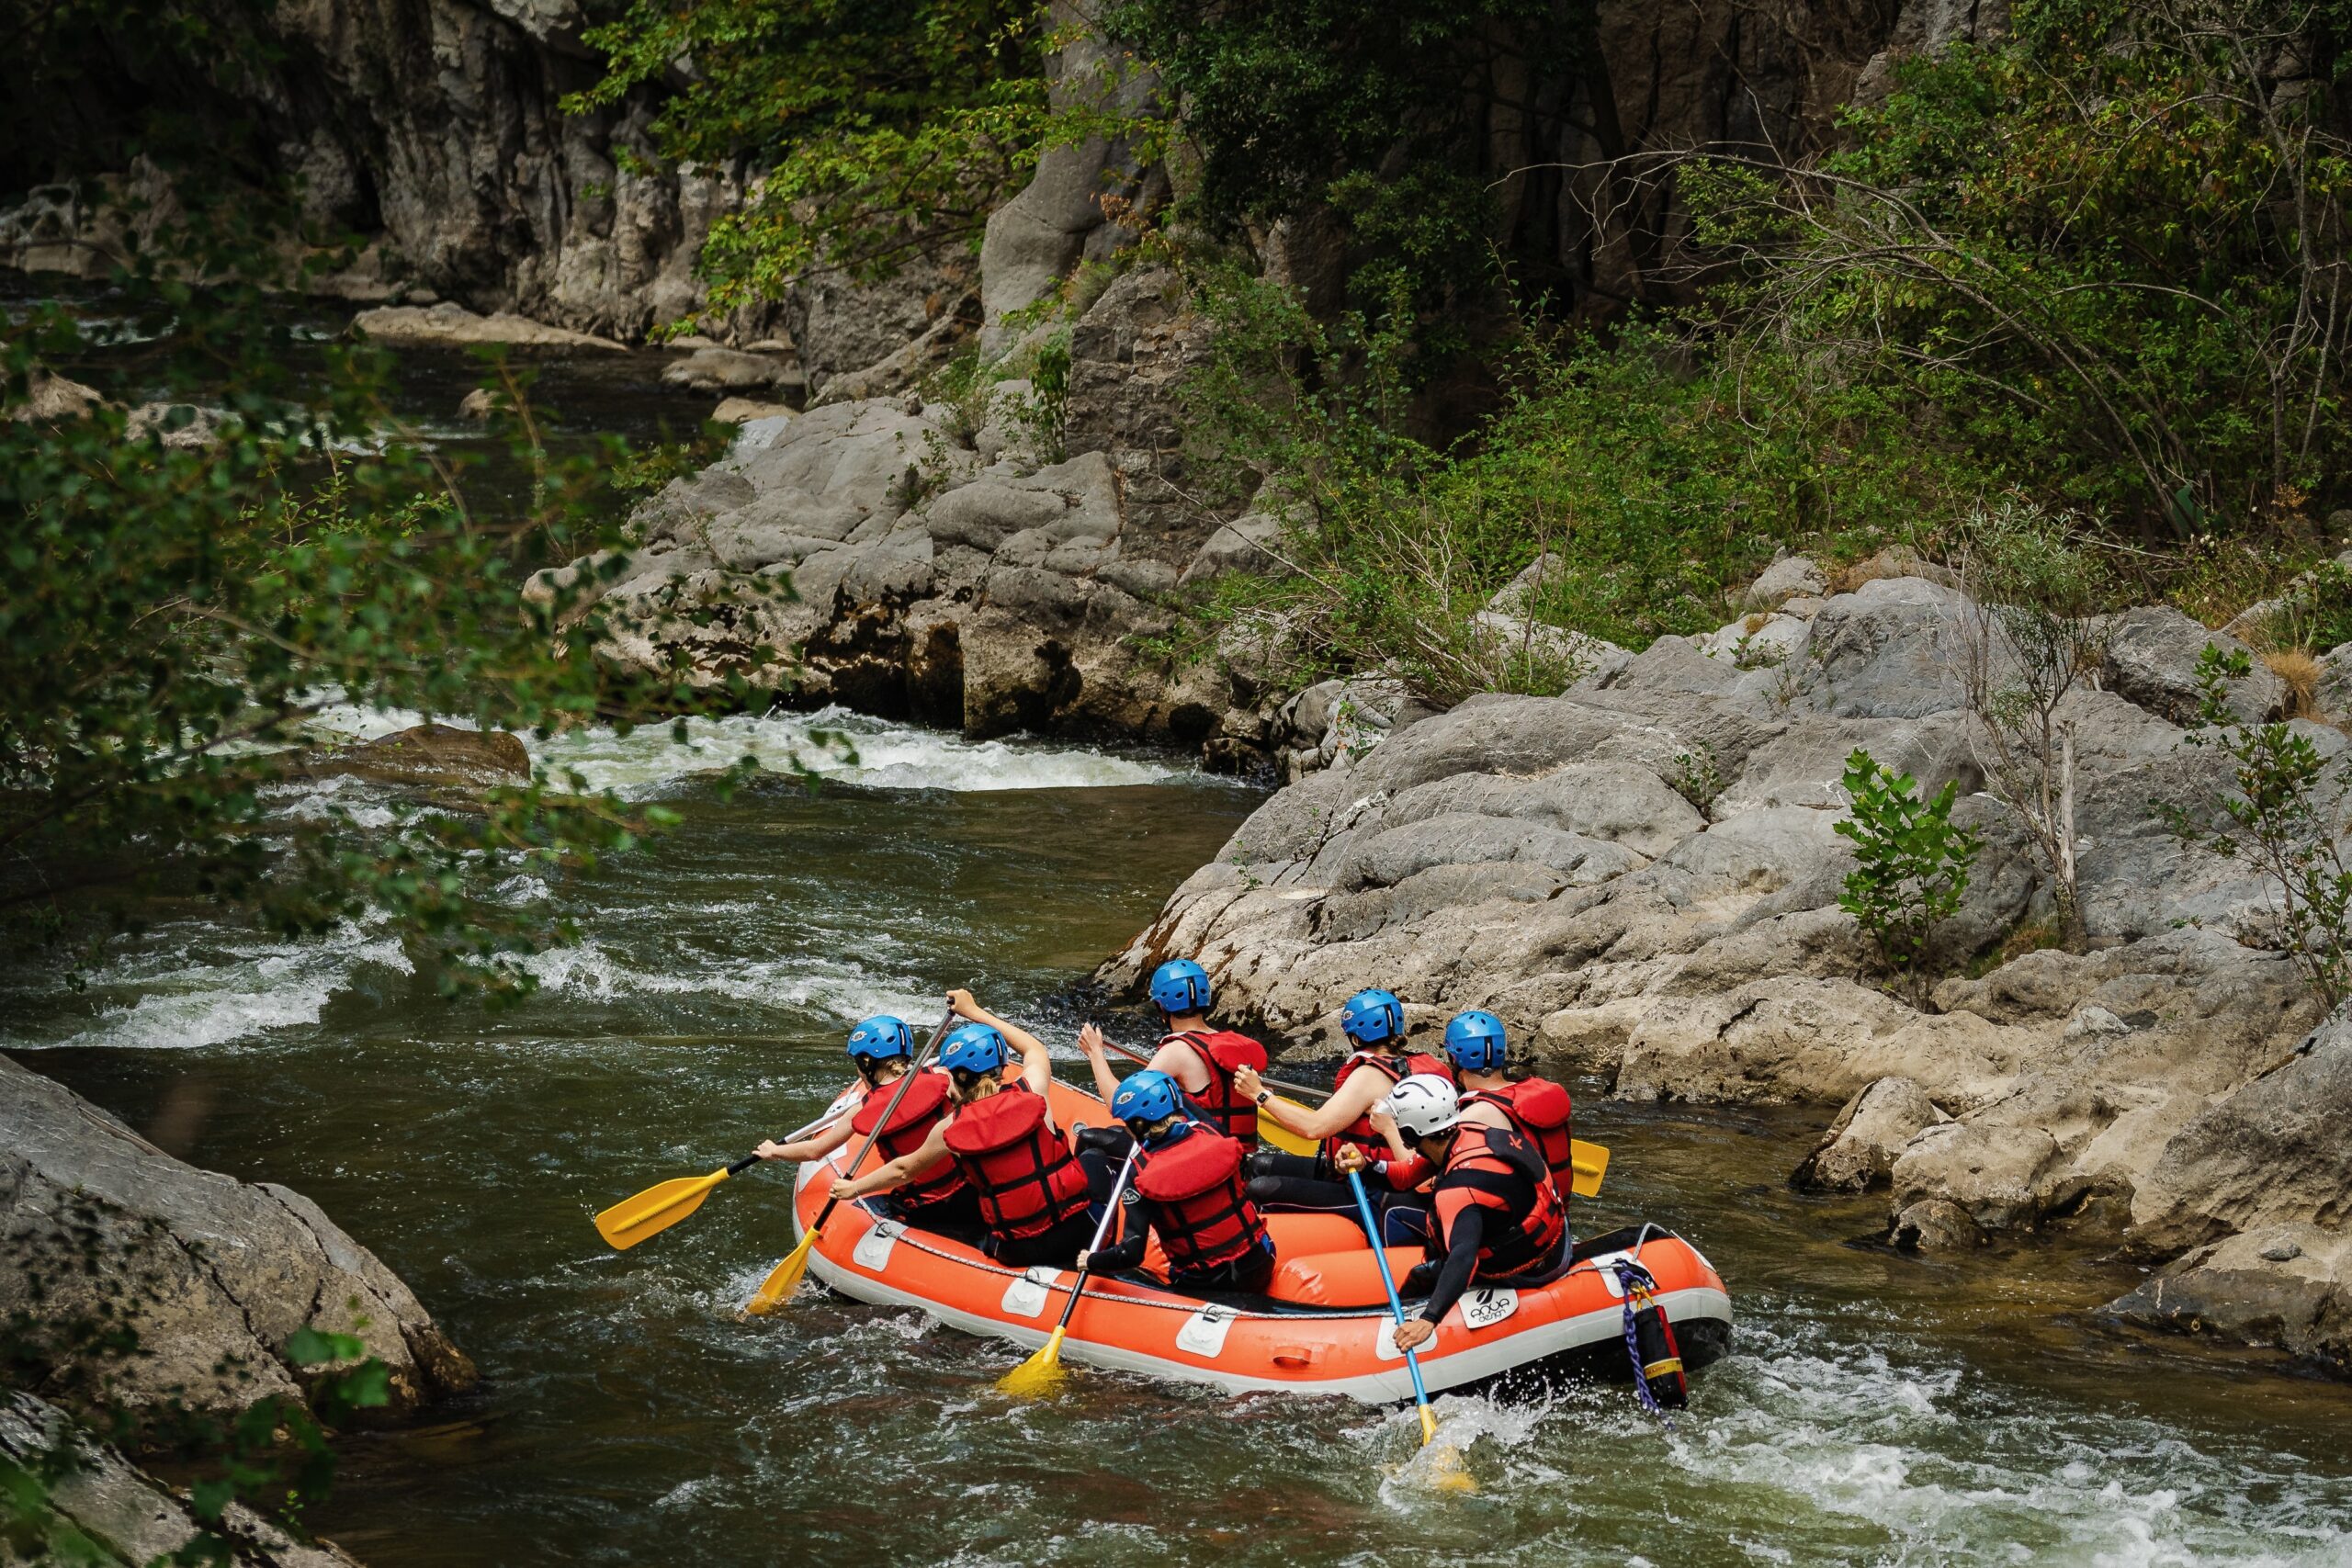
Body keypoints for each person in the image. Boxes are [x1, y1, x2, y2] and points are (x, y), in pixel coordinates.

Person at [827, 990, 1099, 1269]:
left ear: (955, 1077)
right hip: (1082, 1233)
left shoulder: (950, 1127)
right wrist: (974, 1011)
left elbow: (904, 1170)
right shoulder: (1034, 1090)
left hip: (1020, 1251)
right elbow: (1034, 1049)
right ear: (1002, 1066)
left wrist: (853, 1188)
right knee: (1093, 1158)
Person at [1338, 1074, 1568, 1354]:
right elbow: (1406, 1175)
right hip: (1557, 1241)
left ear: (1410, 1134)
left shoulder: (1457, 1192)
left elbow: (1463, 1257)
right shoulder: (1472, 1132)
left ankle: (1395, 1332)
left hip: (1529, 1270)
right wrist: (1366, 1165)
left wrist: (1429, 1319)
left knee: (1421, 1276)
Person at [1231, 987, 1451, 1231]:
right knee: (1259, 1164)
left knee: (1260, 1188)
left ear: (1356, 1039)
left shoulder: (1369, 1075)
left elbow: (1314, 1128)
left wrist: (1258, 1094)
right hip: (1357, 1171)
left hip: (1371, 1186)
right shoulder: (1418, 1065)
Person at [754, 1013, 982, 1238]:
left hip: (928, 1208)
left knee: (865, 1210)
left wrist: (773, 1151)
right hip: (972, 1192)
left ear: (867, 1062)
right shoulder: (942, 1079)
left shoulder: (862, 1110)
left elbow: (815, 1151)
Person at [1074, 1070, 1278, 1295]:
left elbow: (1130, 1254)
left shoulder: (1139, 1173)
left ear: (1138, 1125)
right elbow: (1191, 1112)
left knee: (1127, 1275)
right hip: (1259, 1264)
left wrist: (1092, 1260)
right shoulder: (1214, 1134)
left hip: (1204, 1284)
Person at [1076, 958, 1270, 1148]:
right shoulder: (1232, 1043)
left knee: (1090, 1138)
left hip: (1201, 1157)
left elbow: (1120, 1104)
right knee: (1115, 1132)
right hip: (1238, 1158)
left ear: (1161, 1006)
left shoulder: (1176, 1051)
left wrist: (1095, 1053)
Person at [1442, 1010, 1577, 1193]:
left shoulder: (1475, 1115)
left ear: (1453, 1058)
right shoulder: (1542, 1094)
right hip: (1557, 1217)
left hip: (1522, 1221)